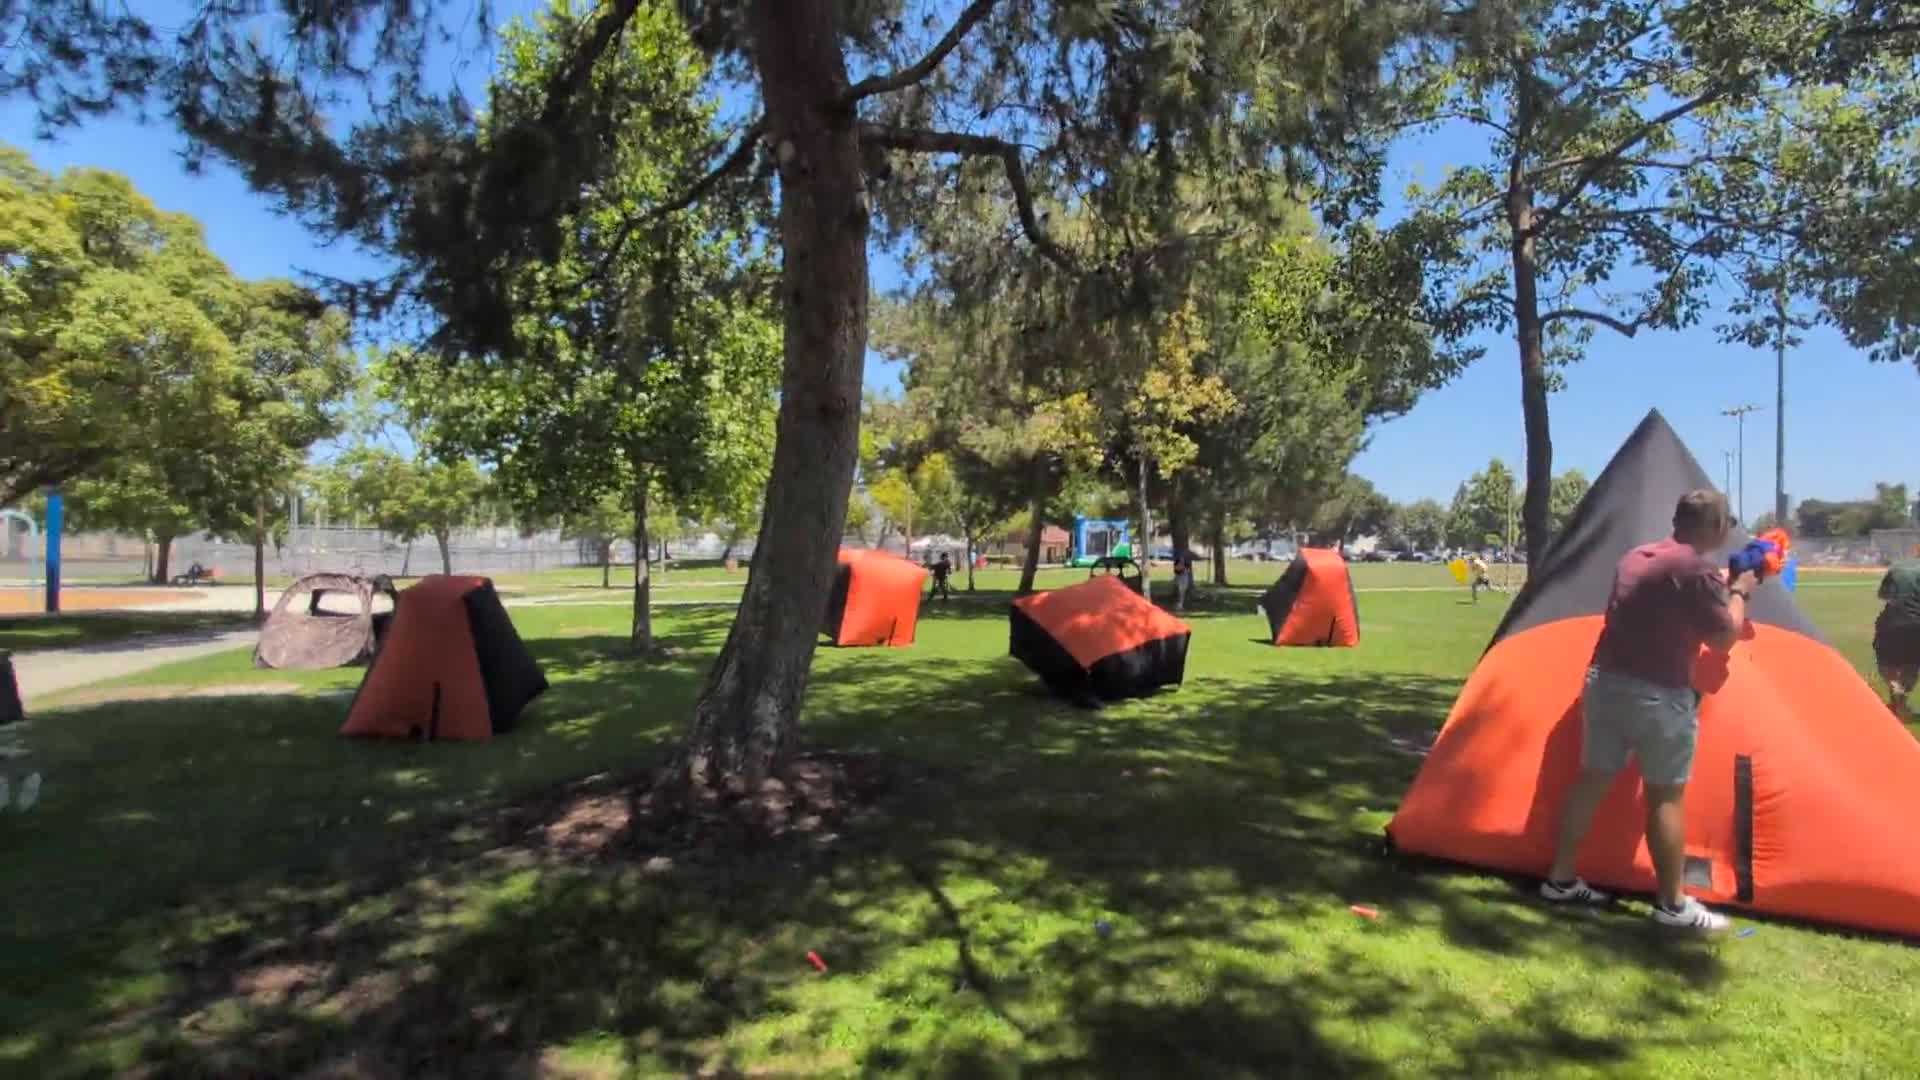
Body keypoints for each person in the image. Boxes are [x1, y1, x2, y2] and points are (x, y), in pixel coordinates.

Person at [1538, 489, 1756, 936]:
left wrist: (1717, 583)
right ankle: (1672, 904)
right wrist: (1739, 591)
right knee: (1666, 798)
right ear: (1716, 527)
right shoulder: (1695, 570)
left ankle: (1560, 879)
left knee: (1591, 780)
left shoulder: (1636, 557)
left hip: (1604, 683)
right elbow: (1722, 637)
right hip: (1658, 693)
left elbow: (1667, 596)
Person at [1874, 557, 1920, 720]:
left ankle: (1897, 699)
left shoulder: (1897, 567)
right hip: (1916, 623)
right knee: (1912, 664)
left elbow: (1882, 594)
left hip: (1891, 622)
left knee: (1886, 662)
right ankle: (1900, 703)